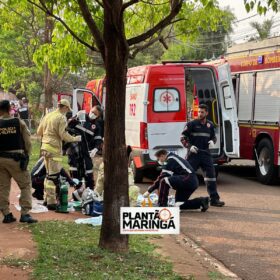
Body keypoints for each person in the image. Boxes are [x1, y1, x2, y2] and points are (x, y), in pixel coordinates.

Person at [37, 99, 81, 210]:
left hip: (44, 147)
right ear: (65, 107)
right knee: (53, 176)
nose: (67, 111)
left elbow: (39, 132)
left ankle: (47, 199)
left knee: (48, 175)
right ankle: (51, 202)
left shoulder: (48, 115)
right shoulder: (61, 118)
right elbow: (63, 135)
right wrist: (75, 138)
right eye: (67, 109)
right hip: (54, 150)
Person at [0, 100, 37, 223]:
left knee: (3, 188)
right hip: (16, 159)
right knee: (25, 185)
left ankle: (6, 214)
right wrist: (27, 155)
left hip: (1, 160)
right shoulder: (18, 122)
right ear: (10, 109)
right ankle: (25, 214)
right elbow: (28, 141)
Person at [181, 104, 225, 207]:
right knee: (187, 176)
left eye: (202, 112)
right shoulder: (191, 124)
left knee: (211, 177)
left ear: (207, 113)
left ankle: (214, 199)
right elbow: (183, 138)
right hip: (193, 155)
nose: (200, 114)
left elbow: (213, 137)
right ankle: (182, 199)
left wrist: (212, 141)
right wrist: (189, 146)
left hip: (206, 154)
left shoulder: (210, 125)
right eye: (199, 112)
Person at [143, 149, 209, 211]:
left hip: (188, 179)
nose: (158, 161)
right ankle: (202, 201)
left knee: (164, 181)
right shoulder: (173, 158)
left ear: (162, 156)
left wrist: (149, 191)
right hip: (191, 181)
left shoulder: (170, 160)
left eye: (158, 158)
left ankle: (162, 206)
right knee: (178, 205)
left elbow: (162, 177)